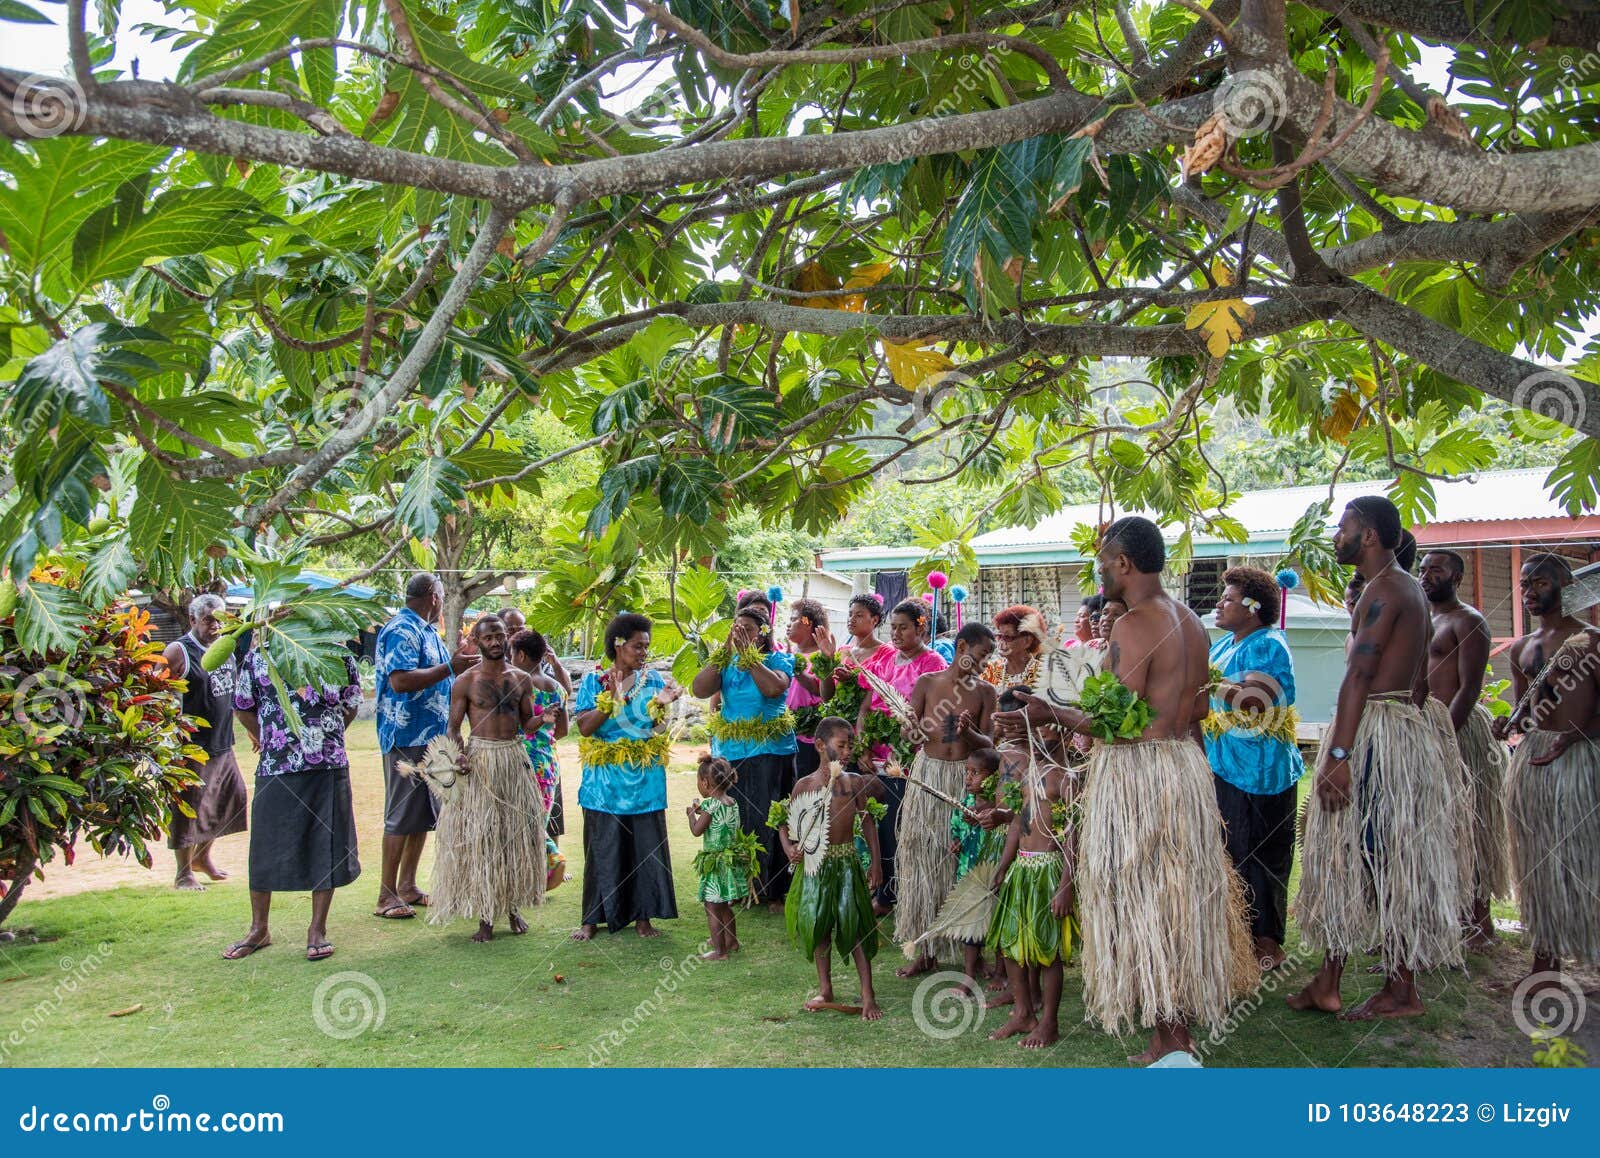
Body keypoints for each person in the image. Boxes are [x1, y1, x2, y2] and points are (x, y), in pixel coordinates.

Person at [1001, 516, 1254, 1063]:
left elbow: (1114, 721)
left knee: (1143, 897)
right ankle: (1172, 1029)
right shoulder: (1190, 621)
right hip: (1182, 768)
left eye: (1101, 562)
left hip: (1140, 774)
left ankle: (1169, 1034)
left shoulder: (1134, 623)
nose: (1097, 572)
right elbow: (1200, 707)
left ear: (1123, 563)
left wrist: (1052, 712)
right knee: (1174, 897)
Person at [1290, 496, 1463, 1020]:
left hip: (1376, 738)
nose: (1336, 535)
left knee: (1378, 856)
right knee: (1355, 853)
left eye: (1343, 526)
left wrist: (1339, 753)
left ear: (1367, 535)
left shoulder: (1385, 591)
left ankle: (1401, 989)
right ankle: (1330, 979)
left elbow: (1361, 676)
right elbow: (1423, 687)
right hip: (1395, 733)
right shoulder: (1401, 588)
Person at [1497, 553, 1600, 994]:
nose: (1528, 592)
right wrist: (1507, 726)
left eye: (1539, 583)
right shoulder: (1523, 648)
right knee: (1539, 866)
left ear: (1564, 585)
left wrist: (1577, 736)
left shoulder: (1591, 641)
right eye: (1524, 585)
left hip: (1581, 761)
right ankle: (1544, 966)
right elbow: (1527, 714)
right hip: (1536, 764)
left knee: (1588, 863)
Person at [224, 648, 362, 960]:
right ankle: (259, 928)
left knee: (325, 846)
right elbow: (243, 706)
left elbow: (351, 704)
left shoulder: (339, 655)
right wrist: (274, 738)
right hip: (277, 766)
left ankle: (317, 929)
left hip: (327, 764)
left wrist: (323, 736)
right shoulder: (261, 656)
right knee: (265, 846)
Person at [1202, 567, 1304, 972]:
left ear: (1253, 607)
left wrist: (1208, 684)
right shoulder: (1224, 645)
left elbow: (1255, 701)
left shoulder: (1270, 645)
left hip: (1263, 771)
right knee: (1232, 852)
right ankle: (1236, 937)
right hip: (1224, 764)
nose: (1218, 605)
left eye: (1227, 599)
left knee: (1263, 856)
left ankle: (1267, 942)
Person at [433, 615, 547, 942]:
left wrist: (545, 718)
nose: (495, 642)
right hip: (481, 760)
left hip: (512, 759)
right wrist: (459, 756)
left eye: (500, 636)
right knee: (483, 840)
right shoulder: (465, 682)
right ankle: (485, 917)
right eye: (488, 638)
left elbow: (527, 724)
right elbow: (454, 727)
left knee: (513, 834)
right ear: (478, 641)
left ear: (506, 640)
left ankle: (513, 909)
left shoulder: (521, 679)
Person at [895, 622, 998, 978]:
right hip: (929, 774)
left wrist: (970, 731)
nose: (984, 662)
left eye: (988, 657)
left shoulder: (986, 692)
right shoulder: (928, 683)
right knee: (926, 857)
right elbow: (912, 735)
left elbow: (991, 747)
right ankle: (925, 949)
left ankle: (973, 949)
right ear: (962, 646)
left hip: (966, 781)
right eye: (981, 654)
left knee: (966, 863)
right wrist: (909, 727)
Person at [373, 574, 477, 920]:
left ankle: (407, 886)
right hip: (407, 736)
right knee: (402, 816)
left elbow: (438, 674)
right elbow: (400, 681)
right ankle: (386, 895)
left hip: (431, 737)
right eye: (442, 596)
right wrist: (451, 665)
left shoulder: (427, 630)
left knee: (420, 817)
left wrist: (455, 663)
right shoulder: (401, 629)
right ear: (434, 596)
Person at [1420, 549, 1509, 951]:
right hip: (1423, 728)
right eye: (1422, 569)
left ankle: (1479, 921)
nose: (1426, 575)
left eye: (1435, 570)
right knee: (1435, 829)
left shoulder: (1468, 621)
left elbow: (1470, 688)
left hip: (1458, 731)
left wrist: (1446, 737)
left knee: (1470, 825)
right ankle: (1445, 915)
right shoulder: (1423, 618)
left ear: (1456, 576)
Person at [573, 612, 682, 939]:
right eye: (638, 646)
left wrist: (663, 704)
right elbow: (584, 728)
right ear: (619, 645)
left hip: (643, 782)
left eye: (646, 646)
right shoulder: (595, 681)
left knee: (643, 849)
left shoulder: (653, 682)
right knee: (602, 849)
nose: (644, 652)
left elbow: (656, 730)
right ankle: (591, 919)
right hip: (604, 784)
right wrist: (611, 702)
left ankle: (643, 918)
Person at [772, 716, 884, 1021]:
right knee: (819, 925)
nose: (847, 751)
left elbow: (868, 822)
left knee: (856, 925)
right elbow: (784, 823)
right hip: (816, 866)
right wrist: (789, 849)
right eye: (842, 745)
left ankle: (867, 994)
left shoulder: (854, 782)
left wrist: (875, 862)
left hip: (847, 862)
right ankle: (826, 987)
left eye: (850, 745)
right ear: (820, 746)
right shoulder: (804, 786)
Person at [693, 603, 795, 910]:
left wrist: (750, 657)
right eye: (736, 628)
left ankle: (772, 890)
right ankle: (741, 885)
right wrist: (726, 650)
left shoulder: (777, 658)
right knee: (735, 818)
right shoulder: (727, 661)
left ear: (763, 633)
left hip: (769, 752)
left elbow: (774, 689)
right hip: (732, 753)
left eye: (748, 629)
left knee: (768, 817)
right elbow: (699, 689)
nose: (740, 634)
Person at [855, 598, 947, 914]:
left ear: (920, 627)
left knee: (903, 826)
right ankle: (883, 891)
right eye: (892, 627)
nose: (895, 634)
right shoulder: (883, 663)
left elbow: (934, 713)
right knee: (879, 825)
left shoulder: (932, 663)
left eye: (903, 627)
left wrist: (909, 737)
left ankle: (904, 893)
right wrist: (863, 745)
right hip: (877, 759)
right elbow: (866, 708)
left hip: (910, 759)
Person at [985, 737, 1075, 1049]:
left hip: (1048, 870)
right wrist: (1003, 865)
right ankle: (1023, 1012)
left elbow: (1075, 833)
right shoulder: (1027, 771)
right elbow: (1015, 823)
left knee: (1048, 951)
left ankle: (1049, 1021)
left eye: (1047, 729)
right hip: (1021, 869)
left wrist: (1066, 883)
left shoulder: (1065, 776)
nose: (1038, 737)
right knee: (1011, 943)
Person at [164, 593, 248, 890]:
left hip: (223, 742)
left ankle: (202, 858)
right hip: (192, 746)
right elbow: (155, 690)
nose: (214, 626)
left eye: (219, 620)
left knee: (227, 801)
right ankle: (183, 873)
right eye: (208, 620)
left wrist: (250, 729)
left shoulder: (226, 647)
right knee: (189, 809)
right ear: (193, 620)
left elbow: (232, 693)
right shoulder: (179, 651)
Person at [908, 747, 1005, 999]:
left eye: (976, 773)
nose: (968, 778)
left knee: (999, 923)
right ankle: (968, 978)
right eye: (967, 772)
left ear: (994, 777)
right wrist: (956, 843)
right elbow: (957, 832)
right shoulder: (964, 805)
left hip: (995, 874)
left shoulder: (1000, 808)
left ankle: (1000, 973)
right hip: (968, 874)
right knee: (970, 928)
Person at [688, 755, 758, 961]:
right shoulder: (731, 802)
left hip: (715, 864)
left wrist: (692, 815)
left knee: (711, 906)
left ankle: (720, 951)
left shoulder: (710, 805)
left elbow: (697, 831)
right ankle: (732, 941)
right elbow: (719, 818)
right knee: (723, 905)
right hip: (729, 861)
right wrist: (701, 810)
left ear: (705, 783)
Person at [509, 629, 568, 843]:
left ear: (521, 655)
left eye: (512, 654)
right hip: (547, 763)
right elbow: (563, 731)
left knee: (517, 832)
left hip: (519, 762)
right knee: (538, 829)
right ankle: (544, 872)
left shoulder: (517, 685)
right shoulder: (558, 689)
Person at [786, 598, 829, 786]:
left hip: (808, 738)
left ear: (807, 623)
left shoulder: (821, 656)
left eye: (793, 619)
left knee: (805, 784)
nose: (788, 624)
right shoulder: (787, 653)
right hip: (786, 733)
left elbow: (818, 689)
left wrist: (796, 669)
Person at [982, 604, 1046, 690]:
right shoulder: (990, 670)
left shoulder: (1042, 673)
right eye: (999, 636)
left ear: (1027, 641)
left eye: (1007, 637)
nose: (1001, 642)